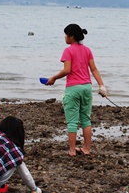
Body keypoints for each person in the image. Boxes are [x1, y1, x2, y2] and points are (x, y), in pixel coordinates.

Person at [44, 23, 107, 157]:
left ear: (71, 37)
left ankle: (72, 150)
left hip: (73, 88)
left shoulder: (68, 50)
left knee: (72, 121)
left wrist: (53, 78)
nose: (64, 37)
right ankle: (86, 149)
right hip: (87, 87)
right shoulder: (87, 50)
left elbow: (67, 70)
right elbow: (94, 69)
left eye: (66, 34)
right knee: (86, 119)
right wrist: (101, 85)